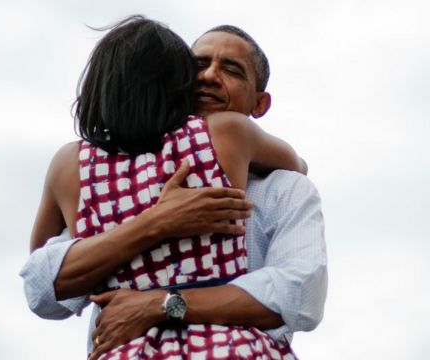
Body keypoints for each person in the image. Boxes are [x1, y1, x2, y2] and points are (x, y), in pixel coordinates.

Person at [21, 18, 327, 359]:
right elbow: (43, 288)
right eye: (197, 65)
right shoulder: (224, 138)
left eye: (232, 70)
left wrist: (162, 304)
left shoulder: (86, 174)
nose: (209, 76)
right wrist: (158, 220)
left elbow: (300, 295)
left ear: (259, 104)